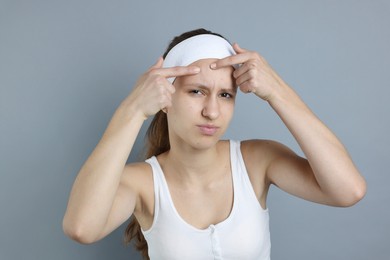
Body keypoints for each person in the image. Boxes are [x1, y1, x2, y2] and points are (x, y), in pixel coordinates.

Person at [62, 28, 367, 260]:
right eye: (196, 92)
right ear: (165, 98)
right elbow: (82, 228)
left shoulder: (257, 160)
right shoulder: (142, 182)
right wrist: (132, 110)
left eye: (225, 95)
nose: (212, 112)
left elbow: (348, 190)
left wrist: (278, 91)